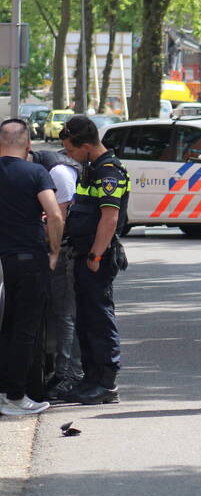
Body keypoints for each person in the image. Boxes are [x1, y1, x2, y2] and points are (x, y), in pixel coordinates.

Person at [61, 115, 130, 405]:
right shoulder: (93, 168)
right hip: (85, 251)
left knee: (99, 318)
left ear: (86, 145)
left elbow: (110, 218)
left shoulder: (109, 171)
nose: (70, 155)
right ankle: (90, 379)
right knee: (87, 319)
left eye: (71, 150)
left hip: (96, 255)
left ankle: (106, 382)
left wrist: (96, 255)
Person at [0, 119, 63, 416]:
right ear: (27, 145)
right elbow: (55, 214)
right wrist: (53, 251)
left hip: (5, 262)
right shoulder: (36, 172)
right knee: (25, 329)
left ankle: (4, 390)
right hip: (30, 259)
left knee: (8, 327)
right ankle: (16, 396)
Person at [28, 148, 86, 401]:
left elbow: (59, 216)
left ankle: (70, 375)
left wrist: (53, 252)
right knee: (59, 313)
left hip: (64, 249)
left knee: (65, 314)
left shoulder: (58, 172)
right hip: (60, 247)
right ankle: (62, 371)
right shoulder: (44, 168)